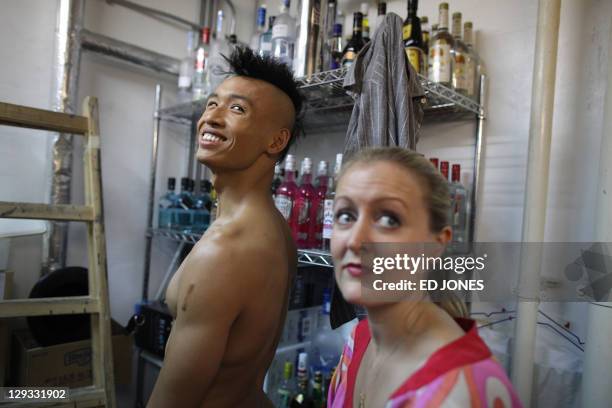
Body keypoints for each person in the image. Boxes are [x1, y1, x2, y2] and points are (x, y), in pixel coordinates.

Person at [147, 47, 303, 407]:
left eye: (237, 109)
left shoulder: (226, 249)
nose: (212, 118)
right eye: (212, 104)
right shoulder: (275, 230)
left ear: (276, 141)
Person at [327, 147, 522, 407]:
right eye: (345, 215)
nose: (355, 239)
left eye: (388, 219)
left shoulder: (461, 390)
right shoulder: (357, 341)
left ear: (436, 244)